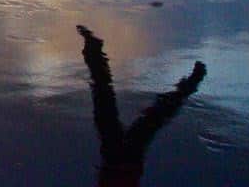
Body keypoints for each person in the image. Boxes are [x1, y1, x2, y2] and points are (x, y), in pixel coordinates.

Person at [77, 25, 206, 187]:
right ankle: (93, 50)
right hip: (121, 165)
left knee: (108, 103)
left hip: (119, 165)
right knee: (109, 103)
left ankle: (93, 50)